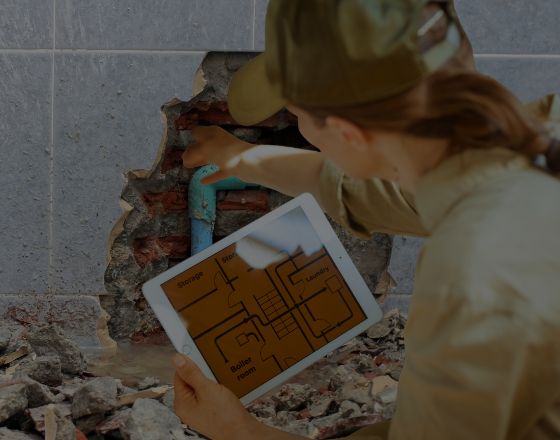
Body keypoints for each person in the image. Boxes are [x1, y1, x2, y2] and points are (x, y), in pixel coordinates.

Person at [171, 0, 560, 439]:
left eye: (298, 118)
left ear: (349, 133)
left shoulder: (473, 272)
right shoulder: (531, 145)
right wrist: (245, 157)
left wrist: (239, 431)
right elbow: (383, 192)